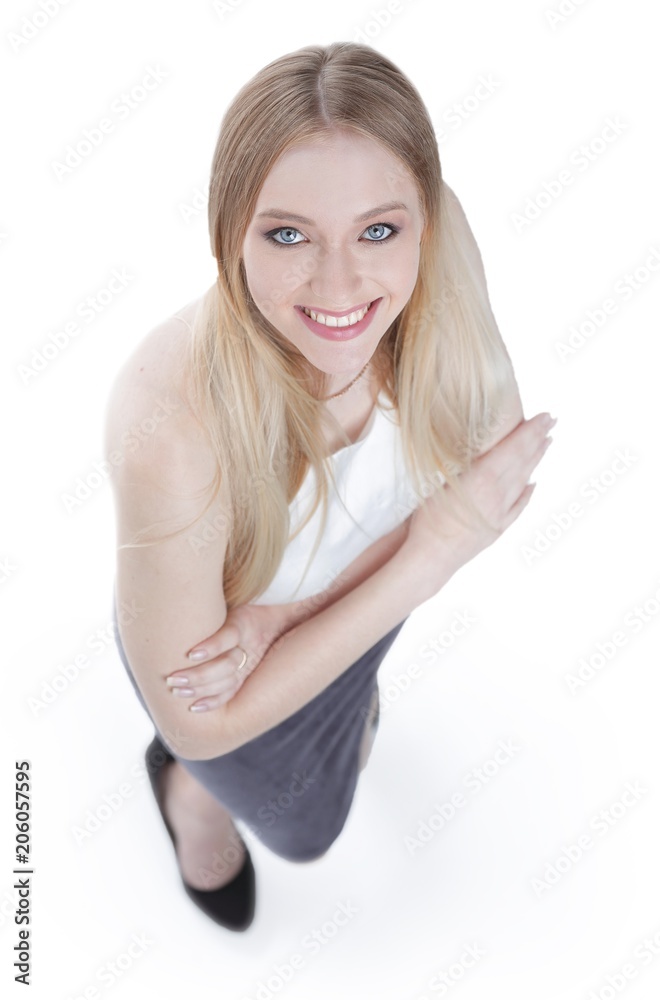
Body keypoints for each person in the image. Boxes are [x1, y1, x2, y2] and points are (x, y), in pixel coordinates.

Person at [105, 41, 554, 932]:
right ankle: (191, 800)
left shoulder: (434, 242)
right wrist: (432, 553)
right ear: (228, 231)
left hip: (343, 625)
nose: (341, 286)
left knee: (348, 734)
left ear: (422, 217)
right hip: (230, 686)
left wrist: (281, 622)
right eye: (287, 235)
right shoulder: (173, 433)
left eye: (378, 232)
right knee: (307, 832)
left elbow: (492, 451)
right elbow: (202, 719)